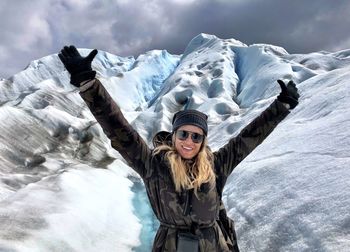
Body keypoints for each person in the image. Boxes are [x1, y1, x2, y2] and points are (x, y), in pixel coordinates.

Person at [58, 45, 299, 252]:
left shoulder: (215, 165)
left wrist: (281, 106)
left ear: (203, 141)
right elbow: (117, 127)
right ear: (174, 136)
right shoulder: (152, 164)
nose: (189, 141)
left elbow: (248, 138)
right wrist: (88, 82)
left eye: (196, 137)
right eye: (183, 134)